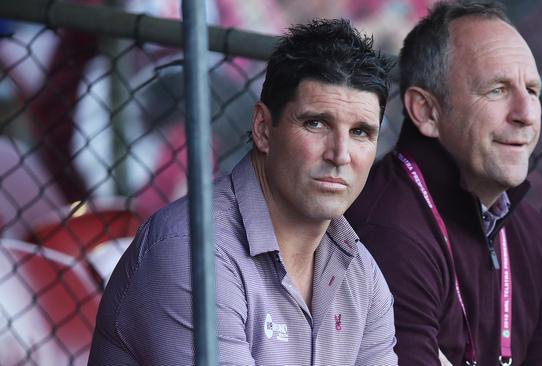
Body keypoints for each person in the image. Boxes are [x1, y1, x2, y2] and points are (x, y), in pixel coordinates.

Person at [88, 19, 397, 365]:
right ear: (263, 129)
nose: (340, 154)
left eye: (360, 132)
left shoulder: (360, 272)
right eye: (316, 123)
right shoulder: (192, 251)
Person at [346, 1, 542, 365]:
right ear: (426, 111)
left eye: (532, 91)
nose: (525, 114)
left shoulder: (538, 238)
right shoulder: (384, 230)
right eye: (497, 90)